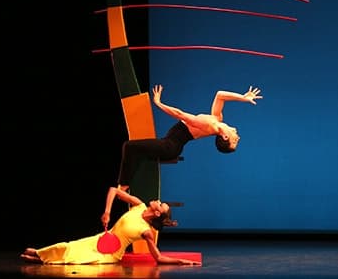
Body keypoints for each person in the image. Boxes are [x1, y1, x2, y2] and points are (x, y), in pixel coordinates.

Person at [117, 84, 263, 191]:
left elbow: (180, 114)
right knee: (139, 152)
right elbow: (220, 95)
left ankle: (123, 184)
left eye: (234, 141)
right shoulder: (216, 119)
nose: (238, 138)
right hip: (172, 144)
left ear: (224, 137)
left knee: (129, 146)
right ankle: (129, 179)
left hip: (170, 147)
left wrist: (159, 103)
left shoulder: (209, 125)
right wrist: (243, 97)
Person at [20, 186, 200, 265]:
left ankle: (39, 258)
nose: (158, 200)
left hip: (110, 254)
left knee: (77, 260)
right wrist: (107, 211)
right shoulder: (139, 205)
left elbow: (158, 258)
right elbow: (114, 190)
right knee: (67, 246)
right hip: (101, 239)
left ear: (158, 213)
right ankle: (39, 254)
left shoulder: (147, 232)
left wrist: (182, 261)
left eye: (161, 204)